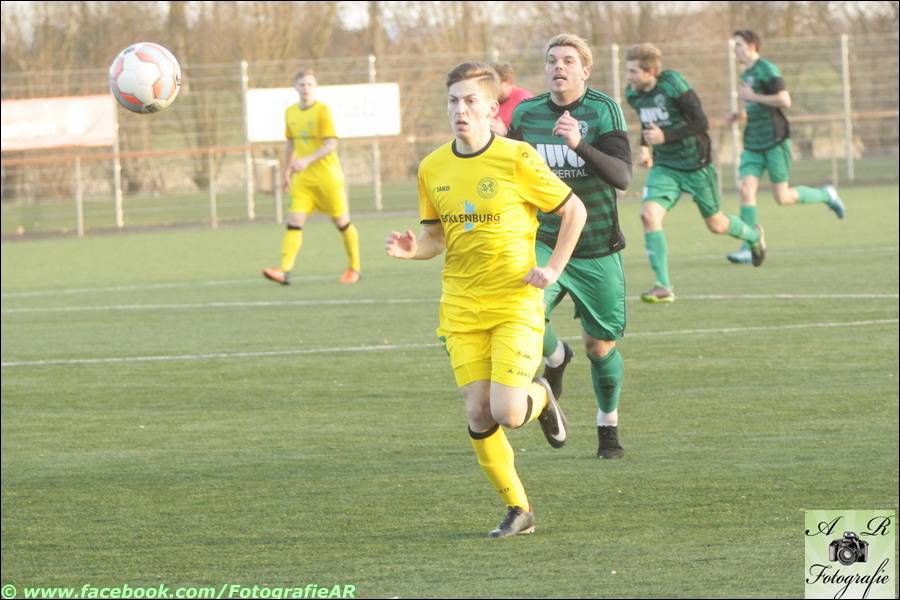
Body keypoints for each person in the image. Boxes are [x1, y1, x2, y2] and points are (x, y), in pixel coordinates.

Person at [385, 62, 587, 538]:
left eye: (471, 101)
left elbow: (573, 210)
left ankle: (541, 396)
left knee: (508, 413)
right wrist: (415, 250)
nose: (460, 110)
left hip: (515, 302)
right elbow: (435, 238)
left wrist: (554, 268)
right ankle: (519, 508)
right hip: (460, 307)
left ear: (492, 108)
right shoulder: (432, 167)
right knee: (478, 411)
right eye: (453, 101)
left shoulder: (517, 158)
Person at [508, 33, 632, 459]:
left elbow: (622, 176)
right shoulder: (526, 115)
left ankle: (607, 424)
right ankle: (556, 356)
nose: (558, 67)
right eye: (551, 60)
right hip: (545, 240)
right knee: (522, 311)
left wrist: (579, 144)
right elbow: (509, 172)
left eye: (567, 60)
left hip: (597, 247)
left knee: (600, 348)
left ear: (585, 70)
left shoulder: (603, 110)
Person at [624, 42, 767, 304]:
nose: (628, 77)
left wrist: (664, 136)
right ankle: (663, 286)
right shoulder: (633, 94)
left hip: (696, 164)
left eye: (633, 71)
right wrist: (645, 147)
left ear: (651, 71)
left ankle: (753, 236)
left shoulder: (673, 85)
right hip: (665, 166)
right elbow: (648, 123)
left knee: (716, 224)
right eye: (628, 71)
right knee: (648, 215)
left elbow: (701, 122)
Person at [725, 30, 845, 265]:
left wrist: (754, 96)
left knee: (783, 197)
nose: (735, 49)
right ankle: (750, 246)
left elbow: (784, 99)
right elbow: (754, 108)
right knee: (746, 190)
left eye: (738, 44)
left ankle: (826, 195)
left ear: (752, 46)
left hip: (775, 141)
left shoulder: (767, 69)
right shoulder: (745, 74)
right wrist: (738, 116)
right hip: (753, 143)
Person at [262, 68, 361, 286]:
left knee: (342, 222)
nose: (306, 88)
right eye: (302, 84)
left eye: (309, 84)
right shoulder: (290, 112)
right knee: (294, 221)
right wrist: (286, 171)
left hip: (328, 179)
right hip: (303, 180)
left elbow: (331, 144)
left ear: (315, 87)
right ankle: (284, 271)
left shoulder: (323, 111)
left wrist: (307, 160)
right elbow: (290, 143)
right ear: (295, 87)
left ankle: (354, 269)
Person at [490, 62, 533, 136]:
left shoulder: (524, 100)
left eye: (495, 85)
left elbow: (530, 134)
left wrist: (505, 132)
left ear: (508, 82)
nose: (491, 89)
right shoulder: (489, 98)